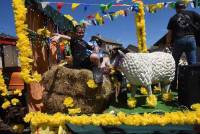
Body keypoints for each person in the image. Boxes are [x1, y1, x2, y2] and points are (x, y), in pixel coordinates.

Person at [166, 1, 200, 90]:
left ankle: (173, 86)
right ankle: (194, 87)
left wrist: (168, 43)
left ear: (176, 9)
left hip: (178, 41)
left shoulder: (173, 18)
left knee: (174, 64)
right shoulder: (192, 13)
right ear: (185, 7)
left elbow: (170, 33)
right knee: (192, 64)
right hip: (191, 39)